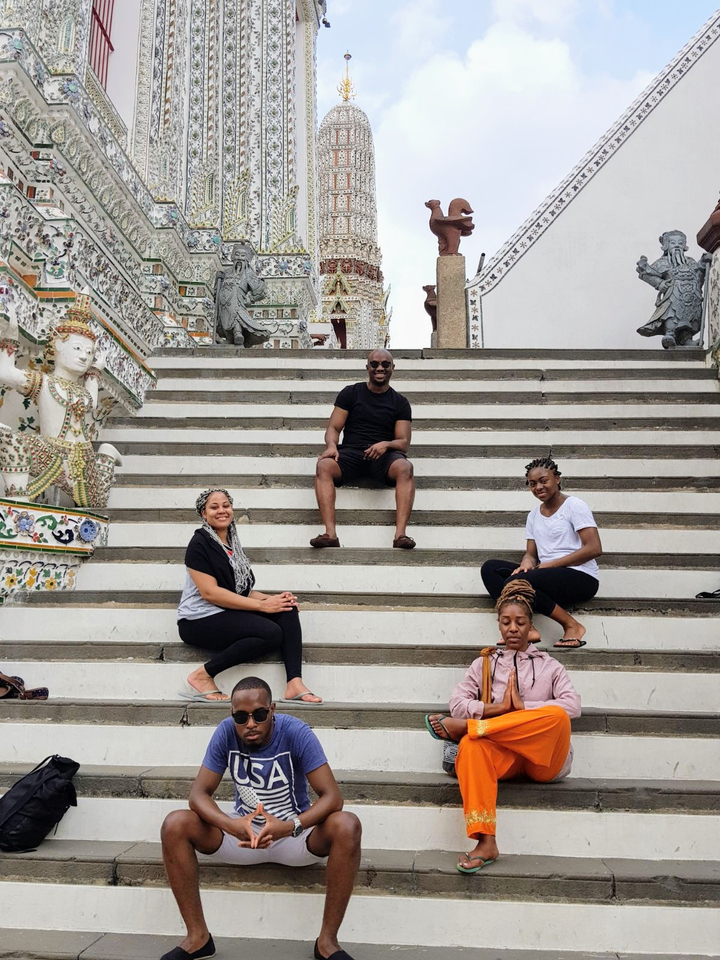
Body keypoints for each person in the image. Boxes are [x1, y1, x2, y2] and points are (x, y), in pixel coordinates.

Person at [159, 677, 362, 960]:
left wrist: (291, 826)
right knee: (175, 823)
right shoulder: (226, 733)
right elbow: (198, 795)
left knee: (347, 824)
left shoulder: (296, 732)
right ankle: (198, 937)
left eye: (259, 714)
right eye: (241, 717)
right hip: (243, 836)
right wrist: (231, 825)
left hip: (294, 835)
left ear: (273, 710)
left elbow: (332, 797)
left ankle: (327, 942)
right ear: (232, 715)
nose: (250, 723)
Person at [425, 579, 581, 874]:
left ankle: (473, 728)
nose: (513, 628)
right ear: (499, 625)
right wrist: (495, 709)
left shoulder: (550, 666)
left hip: (545, 761)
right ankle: (486, 841)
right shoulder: (484, 663)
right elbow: (457, 701)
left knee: (557, 717)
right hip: (505, 758)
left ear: (530, 627)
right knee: (472, 746)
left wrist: (525, 709)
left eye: (520, 622)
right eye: (506, 622)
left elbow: (573, 706)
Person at [177, 488, 321, 703]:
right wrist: (263, 606)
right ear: (203, 514)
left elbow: (242, 590)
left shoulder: (231, 544)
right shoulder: (199, 544)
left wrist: (273, 599)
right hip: (198, 620)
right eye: (214, 507)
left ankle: (294, 683)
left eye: (226, 505)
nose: (221, 510)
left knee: (287, 608)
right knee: (271, 633)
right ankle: (202, 675)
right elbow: (211, 593)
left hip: (224, 611)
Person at [481, 458, 602, 649]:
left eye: (543, 481)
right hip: (545, 576)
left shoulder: (574, 506)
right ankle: (528, 628)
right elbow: (531, 554)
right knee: (490, 569)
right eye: (532, 484)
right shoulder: (534, 515)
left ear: (557, 479)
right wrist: (527, 564)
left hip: (580, 577)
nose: (538, 487)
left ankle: (572, 626)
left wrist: (549, 565)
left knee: (514, 583)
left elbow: (594, 548)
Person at [310, 348, 416, 549]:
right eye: (374, 364)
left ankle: (400, 535)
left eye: (385, 364)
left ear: (392, 368)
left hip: (384, 457)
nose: (379, 368)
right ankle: (330, 534)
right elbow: (333, 427)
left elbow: (403, 442)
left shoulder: (400, 402)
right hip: (352, 452)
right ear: (367, 367)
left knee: (405, 468)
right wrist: (332, 445)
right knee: (324, 466)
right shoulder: (351, 393)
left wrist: (386, 444)